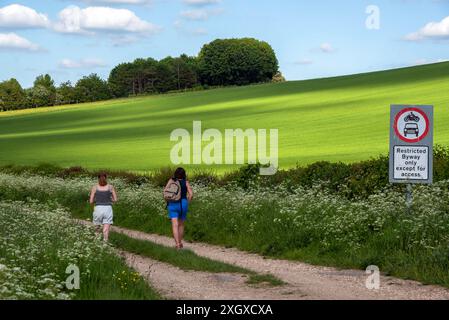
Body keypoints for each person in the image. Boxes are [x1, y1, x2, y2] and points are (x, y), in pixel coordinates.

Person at [165, 168, 193, 249]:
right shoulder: (186, 182)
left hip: (172, 203)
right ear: (184, 174)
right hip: (183, 203)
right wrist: (187, 202)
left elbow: (165, 192)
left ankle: (177, 244)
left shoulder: (171, 181)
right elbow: (191, 194)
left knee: (175, 224)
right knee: (181, 224)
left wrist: (168, 201)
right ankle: (180, 242)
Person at [89, 172, 117, 241]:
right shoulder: (110, 187)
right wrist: (110, 199)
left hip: (98, 208)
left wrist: (96, 201)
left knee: (97, 228)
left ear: (98, 179)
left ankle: (97, 242)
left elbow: (91, 201)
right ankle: (105, 243)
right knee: (106, 228)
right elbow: (115, 200)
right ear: (106, 178)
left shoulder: (95, 187)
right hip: (108, 209)